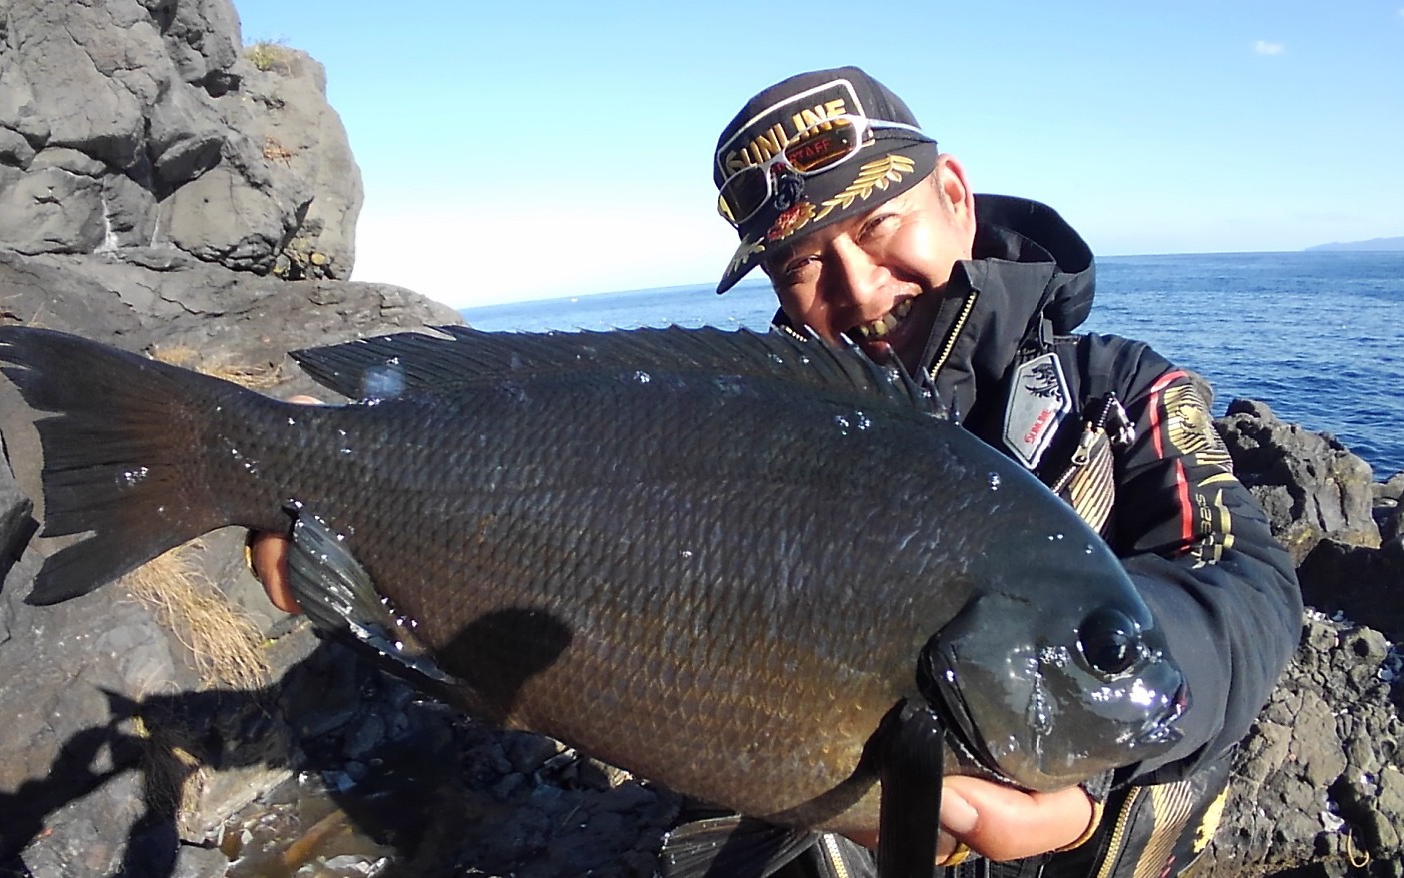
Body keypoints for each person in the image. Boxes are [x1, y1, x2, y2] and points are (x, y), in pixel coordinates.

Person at [252, 66, 1303, 876]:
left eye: (880, 224)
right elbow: (566, 566)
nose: (856, 283)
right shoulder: (729, 434)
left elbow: (1248, 584)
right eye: (802, 262)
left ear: (952, 194)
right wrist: (356, 496)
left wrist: (1095, 772)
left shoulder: (1117, 395)